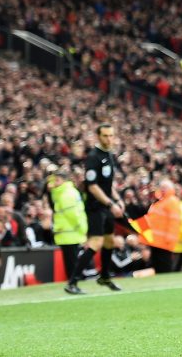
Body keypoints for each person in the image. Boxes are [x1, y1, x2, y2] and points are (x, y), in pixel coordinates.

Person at [66, 124, 124, 295]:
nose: (109, 139)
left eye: (111, 135)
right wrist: (110, 204)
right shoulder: (93, 157)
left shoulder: (109, 155)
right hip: (95, 207)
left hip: (107, 205)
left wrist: (118, 199)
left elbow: (108, 184)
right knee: (96, 242)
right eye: (105, 135)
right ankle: (73, 282)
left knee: (109, 242)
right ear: (98, 136)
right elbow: (92, 187)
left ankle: (105, 276)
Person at [47, 167, 87, 284]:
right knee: (71, 262)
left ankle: (73, 284)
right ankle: (73, 283)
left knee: (72, 263)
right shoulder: (63, 192)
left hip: (71, 232)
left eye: (57, 180)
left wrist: (82, 228)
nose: (54, 183)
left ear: (64, 180)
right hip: (69, 233)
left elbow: (73, 215)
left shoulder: (66, 194)